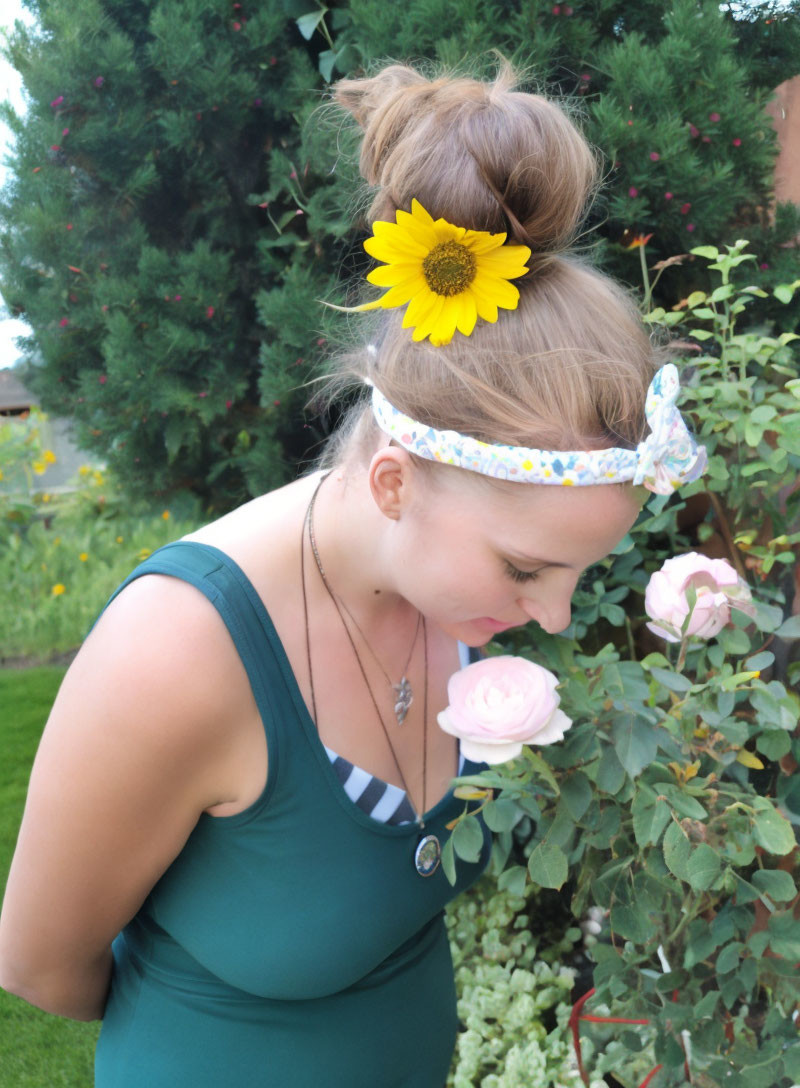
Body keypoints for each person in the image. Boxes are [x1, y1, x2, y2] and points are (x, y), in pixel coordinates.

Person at [0, 61, 704, 1087]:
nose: (551, 616)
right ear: (391, 482)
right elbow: (39, 963)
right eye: (524, 567)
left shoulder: (447, 590)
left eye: (575, 573)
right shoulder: (180, 655)